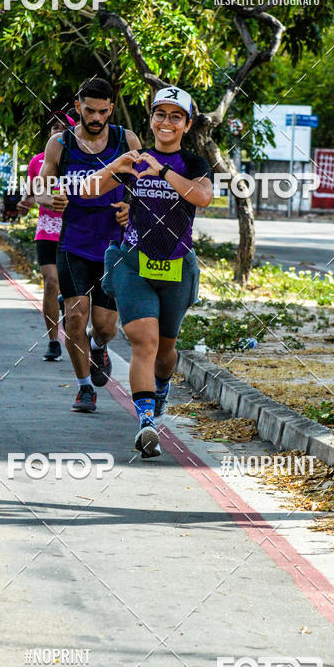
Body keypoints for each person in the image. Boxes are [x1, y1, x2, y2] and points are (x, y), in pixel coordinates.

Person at [80, 86, 213, 457]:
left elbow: (202, 197)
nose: (166, 122)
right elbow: (87, 190)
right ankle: (145, 421)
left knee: (166, 351)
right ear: (151, 119)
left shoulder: (194, 164)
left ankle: (162, 387)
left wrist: (164, 170)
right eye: (160, 114)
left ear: (186, 125)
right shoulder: (134, 160)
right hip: (133, 262)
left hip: (176, 266)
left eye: (175, 116)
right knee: (144, 341)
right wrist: (114, 167)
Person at [36, 78, 139, 413]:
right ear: (78, 106)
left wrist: (130, 209)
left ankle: (99, 347)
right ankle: (84, 389)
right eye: (89, 110)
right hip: (73, 243)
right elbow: (37, 190)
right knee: (76, 318)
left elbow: (145, 190)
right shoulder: (60, 143)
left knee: (106, 326)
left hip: (113, 246)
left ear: (111, 108)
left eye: (103, 111)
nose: (96, 117)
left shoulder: (127, 141)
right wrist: (51, 198)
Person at [17, 111, 74, 362]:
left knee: (74, 291)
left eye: (64, 128)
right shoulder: (38, 161)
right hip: (47, 230)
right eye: (54, 128)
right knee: (51, 282)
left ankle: (85, 339)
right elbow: (32, 193)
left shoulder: (82, 161)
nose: (58, 132)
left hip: (76, 232)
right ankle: (53, 340)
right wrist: (25, 202)